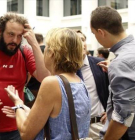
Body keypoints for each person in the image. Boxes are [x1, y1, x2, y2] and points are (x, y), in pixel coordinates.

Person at [2, 28, 91, 140]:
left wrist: (18, 104)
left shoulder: (52, 82)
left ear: (52, 53)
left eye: (46, 49)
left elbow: (25, 133)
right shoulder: (79, 81)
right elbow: (62, 119)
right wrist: (28, 112)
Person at [90, 6, 135, 140]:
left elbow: (123, 117)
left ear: (101, 32)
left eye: (93, 33)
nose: (95, 37)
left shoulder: (122, 63)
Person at [0, 12, 50, 140]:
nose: (15, 40)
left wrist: (33, 43)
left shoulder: (24, 52)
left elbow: (45, 78)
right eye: (11, 34)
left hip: (17, 128)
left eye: (19, 36)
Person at [76, 30, 109, 140]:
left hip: (98, 124)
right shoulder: (64, 68)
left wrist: (111, 109)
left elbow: (114, 89)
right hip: (76, 127)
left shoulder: (100, 64)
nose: (81, 43)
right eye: (77, 40)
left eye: (83, 40)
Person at [26, 33, 45, 108]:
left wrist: (25, 84)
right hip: (44, 87)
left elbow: (30, 73)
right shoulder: (48, 50)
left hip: (33, 88)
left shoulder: (35, 51)